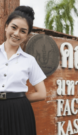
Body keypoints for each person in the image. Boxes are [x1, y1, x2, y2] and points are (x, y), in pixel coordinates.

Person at [0, 6, 46, 135]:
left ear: (26, 35)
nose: (16, 34)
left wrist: (17, 99)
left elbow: (41, 93)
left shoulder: (29, 60)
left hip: (19, 112)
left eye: (23, 31)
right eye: (13, 27)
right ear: (6, 26)